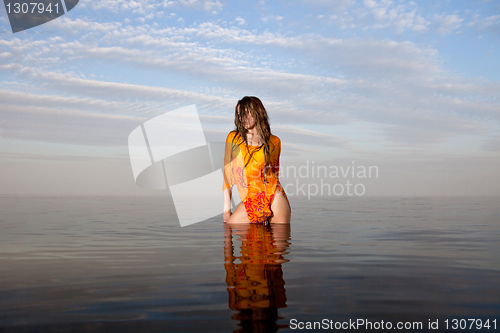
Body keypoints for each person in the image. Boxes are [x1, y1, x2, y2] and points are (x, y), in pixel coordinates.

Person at [223, 96, 291, 224]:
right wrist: (226, 210)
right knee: (229, 227)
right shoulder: (233, 138)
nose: (242, 118)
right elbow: (228, 176)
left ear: (258, 112)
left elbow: (274, 173)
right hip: (251, 201)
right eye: (239, 114)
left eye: (246, 113)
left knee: (277, 242)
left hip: (275, 199)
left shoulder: (274, 141)